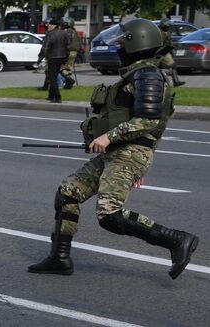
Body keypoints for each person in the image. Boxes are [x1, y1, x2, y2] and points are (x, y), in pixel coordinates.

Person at [27, 18, 198, 280]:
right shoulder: (136, 74)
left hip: (129, 153)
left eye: (122, 42)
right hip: (119, 152)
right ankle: (59, 258)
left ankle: (176, 240)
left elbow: (149, 121)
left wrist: (110, 139)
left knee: (109, 215)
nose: (117, 47)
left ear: (136, 44)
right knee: (68, 192)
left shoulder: (149, 75)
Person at [44, 18, 69, 103]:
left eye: (51, 24)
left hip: (52, 58)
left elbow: (46, 47)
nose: (49, 26)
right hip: (62, 57)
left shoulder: (50, 34)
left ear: (55, 25)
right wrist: (66, 58)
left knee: (53, 78)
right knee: (54, 76)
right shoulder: (65, 33)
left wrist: (44, 57)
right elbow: (68, 47)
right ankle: (51, 96)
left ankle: (57, 97)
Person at [158, 18, 185, 87]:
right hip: (157, 51)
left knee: (173, 65)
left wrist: (171, 49)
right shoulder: (157, 32)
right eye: (167, 26)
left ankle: (175, 81)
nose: (168, 27)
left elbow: (170, 43)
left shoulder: (168, 33)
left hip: (165, 51)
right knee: (154, 66)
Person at [59, 16, 78, 90]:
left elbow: (67, 43)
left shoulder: (68, 32)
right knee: (68, 68)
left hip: (68, 52)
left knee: (61, 67)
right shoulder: (73, 31)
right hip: (73, 52)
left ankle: (69, 80)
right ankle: (68, 84)